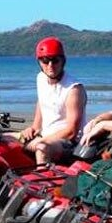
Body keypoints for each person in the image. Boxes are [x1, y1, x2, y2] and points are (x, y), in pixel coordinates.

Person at [20, 36, 87, 164]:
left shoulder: (73, 89)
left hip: (69, 143)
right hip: (45, 136)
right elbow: (42, 101)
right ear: (39, 62)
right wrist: (34, 127)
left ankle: (41, 181)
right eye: (45, 61)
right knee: (5, 140)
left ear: (63, 61)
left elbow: (72, 131)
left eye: (55, 60)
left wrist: (42, 140)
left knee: (42, 148)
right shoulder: (40, 78)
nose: (50, 66)